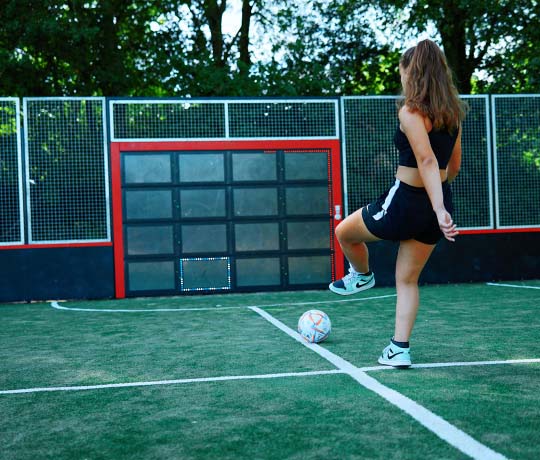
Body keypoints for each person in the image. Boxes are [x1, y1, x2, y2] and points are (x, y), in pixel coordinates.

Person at [329, 39, 467, 368]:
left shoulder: (410, 110)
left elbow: (426, 160)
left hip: (405, 201)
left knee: (344, 233)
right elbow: (453, 167)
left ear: (413, 72)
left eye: (403, 71)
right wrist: (439, 207)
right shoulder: (453, 113)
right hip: (437, 201)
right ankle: (398, 348)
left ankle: (361, 275)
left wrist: (436, 208)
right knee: (407, 280)